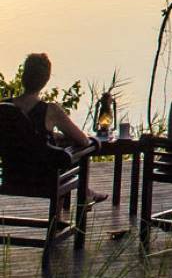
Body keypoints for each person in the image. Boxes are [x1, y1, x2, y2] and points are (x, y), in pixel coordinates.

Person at [6, 51, 106, 203]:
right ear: (45, 80)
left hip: (11, 175)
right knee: (77, 152)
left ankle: (86, 192)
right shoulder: (51, 111)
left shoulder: (4, 108)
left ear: (23, 76)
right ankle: (84, 194)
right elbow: (83, 141)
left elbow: (24, 136)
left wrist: (51, 137)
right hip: (43, 178)